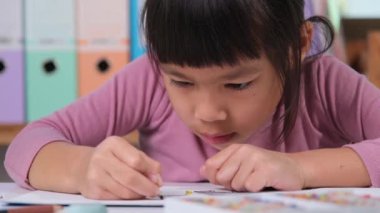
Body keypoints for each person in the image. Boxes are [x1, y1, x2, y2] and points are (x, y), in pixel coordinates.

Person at [5, 0, 380, 200]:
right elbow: (27, 145)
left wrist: (300, 170)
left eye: (238, 84)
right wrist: (83, 168)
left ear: (297, 45)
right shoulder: (148, 78)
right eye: (182, 82)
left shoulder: (325, 83)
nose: (208, 113)